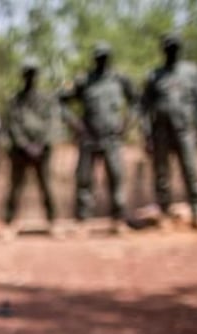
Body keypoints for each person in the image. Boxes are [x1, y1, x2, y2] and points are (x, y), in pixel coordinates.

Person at [58, 42, 138, 232]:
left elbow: (136, 102)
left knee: (116, 177)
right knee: (84, 180)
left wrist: (127, 124)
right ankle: (83, 221)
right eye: (98, 57)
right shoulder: (84, 81)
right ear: (94, 59)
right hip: (89, 139)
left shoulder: (120, 80)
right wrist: (76, 125)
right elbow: (61, 101)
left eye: (104, 56)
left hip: (112, 138)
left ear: (109, 58)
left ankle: (119, 220)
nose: (101, 60)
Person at [141, 32, 197, 228]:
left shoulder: (192, 72)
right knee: (162, 173)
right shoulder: (154, 75)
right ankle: (164, 212)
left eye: (175, 47)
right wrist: (147, 134)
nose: (171, 51)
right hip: (160, 132)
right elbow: (144, 107)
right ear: (163, 50)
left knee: (191, 170)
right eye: (168, 47)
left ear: (179, 49)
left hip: (185, 131)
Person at [4, 57, 58, 227]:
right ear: (23, 76)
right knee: (15, 186)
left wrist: (41, 144)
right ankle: (9, 221)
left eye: (33, 74)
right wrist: (25, 144)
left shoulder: (46, 99)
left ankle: (52, 220)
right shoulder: (15, 100)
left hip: (42, 150)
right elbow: (12, 123)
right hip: (21, 150)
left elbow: (52, 122)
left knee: (46, 185)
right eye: (27, 74)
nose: (30, 77)